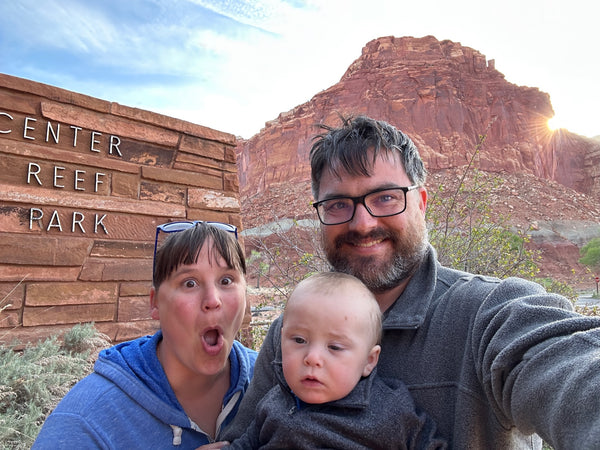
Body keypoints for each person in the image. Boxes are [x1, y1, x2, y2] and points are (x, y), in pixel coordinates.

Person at [224, 116, 600, 449]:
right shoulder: (288, 333)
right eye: (338, 204)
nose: (362, 223)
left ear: (421, 202)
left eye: (386, 198)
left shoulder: (488, 314)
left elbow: (573, 367)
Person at [33, 221, 257, 449]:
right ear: (155, 303)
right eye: (190, 283)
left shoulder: (278, 380)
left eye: (226, 281)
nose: (212, 300)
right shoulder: (84, 423)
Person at [214, 272, 446, 449]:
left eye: (334, 347)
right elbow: (244, 444)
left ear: (369, 360)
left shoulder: (390, 410)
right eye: (299, 340)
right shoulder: (273, 402)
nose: (312, 358)